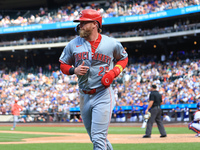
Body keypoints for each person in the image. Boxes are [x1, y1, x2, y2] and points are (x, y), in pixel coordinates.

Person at [59, 9, 128, 150]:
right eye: (80, 23)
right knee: (95, 138)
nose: (81, 26)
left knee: (98, 138)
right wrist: (74, 70)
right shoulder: (73, 44)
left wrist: (114, 72)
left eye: (84, 23)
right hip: (84, 95)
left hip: (103, 93)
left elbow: (123, 58)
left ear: (95, 24)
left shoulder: (111, 43)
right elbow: (63, 64)